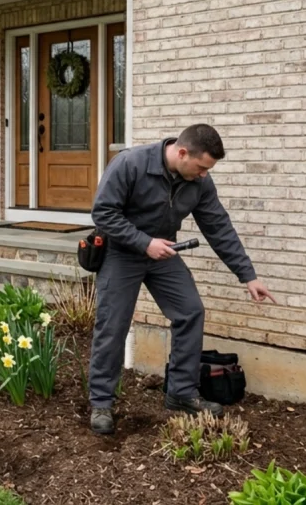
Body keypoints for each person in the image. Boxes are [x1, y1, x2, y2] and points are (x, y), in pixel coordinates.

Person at [88, 124, 275, 435]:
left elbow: (218, 226)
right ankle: (101, 402)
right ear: (182, 152)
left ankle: (181, 392)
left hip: (163, 253)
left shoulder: (199, 181)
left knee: (190, 311)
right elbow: (103, 213)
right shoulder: (130, 164)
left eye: (208, 170)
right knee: (113, 324)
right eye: (201, 167)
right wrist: (144, 243)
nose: (204, 175)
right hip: (121, 253)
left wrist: (248, 275)